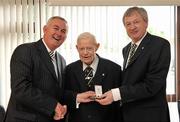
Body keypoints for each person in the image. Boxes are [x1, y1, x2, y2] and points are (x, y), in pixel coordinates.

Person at [96, 6, 171, 122]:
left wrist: (116, 94)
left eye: (136, 22)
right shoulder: (126, 49)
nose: (132, 27)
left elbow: (152, 85)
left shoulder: (160, 45)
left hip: (151, 115)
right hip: (129, 114)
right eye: (128, 24)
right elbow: (130, 79)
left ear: (146, 23)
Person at [4, 16, 68, 122]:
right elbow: (21, 88)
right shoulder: (25, 50)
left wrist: (59, 110)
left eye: (63, 31)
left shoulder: (62, 61)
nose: (59, 33)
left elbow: (57, 92)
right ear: (45, 29)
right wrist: (53, 106)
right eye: (56, 28)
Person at [64, 32, 122, 122]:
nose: (85, 52)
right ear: (76, 48)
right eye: (81, 49)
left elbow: (121, 98)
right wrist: (76, 97)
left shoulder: (114, 69)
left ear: (97, 47)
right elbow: (63, 95)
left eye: (89, 48)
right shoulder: (69, 69)